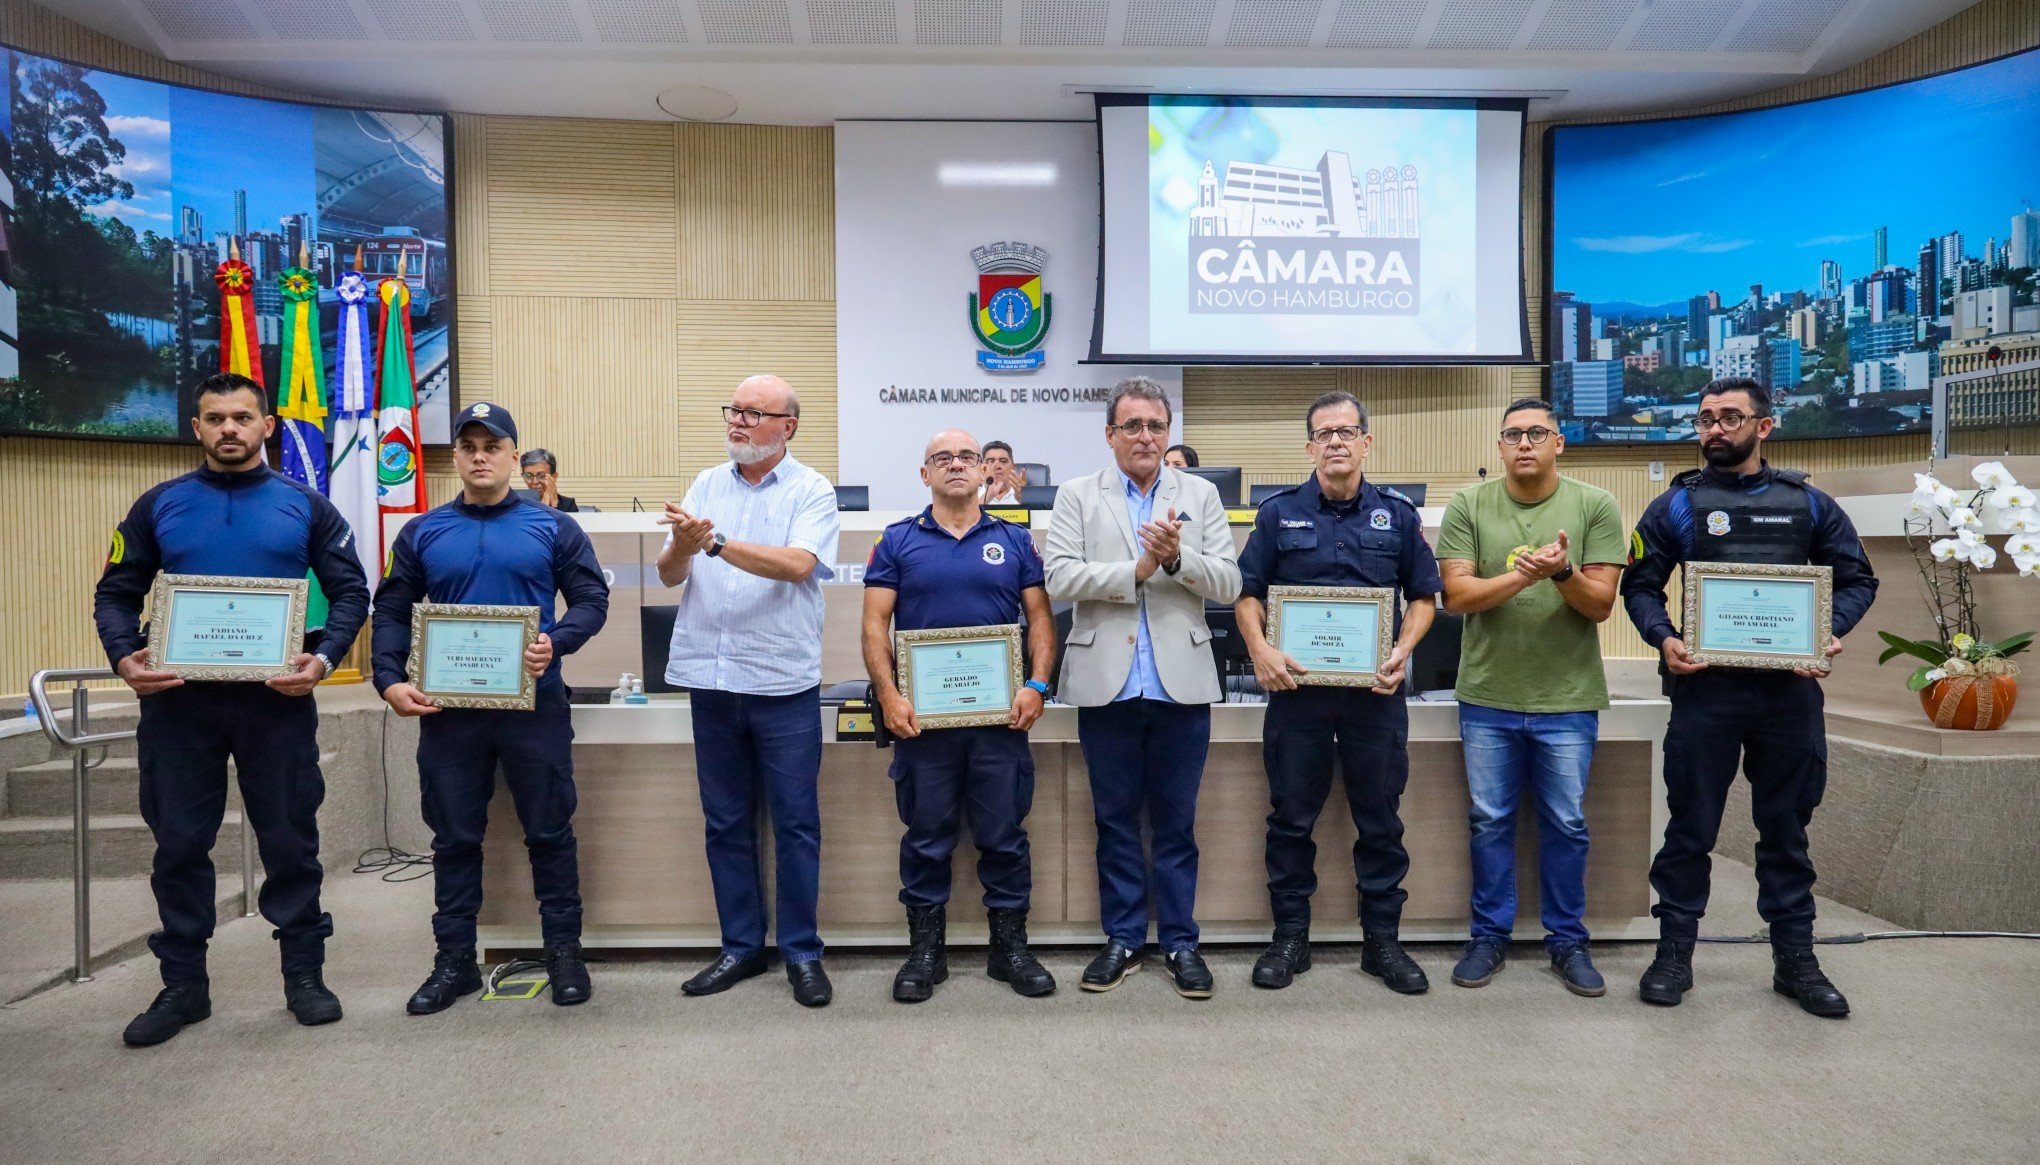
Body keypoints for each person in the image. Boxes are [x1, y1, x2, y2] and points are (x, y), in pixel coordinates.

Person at [92, 372, 370, 1046]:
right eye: (215, 418)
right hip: (179, 706)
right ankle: (184, 986)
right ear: (197, 427)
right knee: (180, 844)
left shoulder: (305, 506)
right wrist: (125, 655)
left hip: (276, 703)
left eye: (242, 417)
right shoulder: (158, 505)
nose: (229, 429)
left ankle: (304, 974)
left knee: (289, 840)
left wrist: (325, 658)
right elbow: (116, 591)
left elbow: (353, 590)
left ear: (266, 425)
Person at [1622, 377, 1877, 1018]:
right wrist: (1664, 638)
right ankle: (1674, 953)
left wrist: (1828, 632)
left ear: (1764, 426)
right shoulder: (1675, 507)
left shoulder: (1811, 505)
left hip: (1788, 697)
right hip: (1704, 694)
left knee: (1786, 833)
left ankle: (1796, 961)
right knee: (1689, 830)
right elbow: (1640, 585)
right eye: (1705, 418)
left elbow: (1856, 580)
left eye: (1730, 417)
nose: (1714, 429)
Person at [374, 403, 610, 1015]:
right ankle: (453, 961)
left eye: (493, 445)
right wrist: (388, 680)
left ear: (513, 455)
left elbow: (589, 598)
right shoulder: (422, 531)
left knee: (550, 833)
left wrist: (554, 642)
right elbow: (393, 611)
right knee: (453, 839)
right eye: (469, 446)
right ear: (456, 456)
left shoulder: (553, 527)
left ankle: (564, 953)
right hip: (448, 712)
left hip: (536, 704)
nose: (480, 456)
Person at [1234, 391, 1439, 995]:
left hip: (1374, 695)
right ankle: (1290, 938)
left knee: (1379, 819)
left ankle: (1383, 943)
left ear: (1367, 442)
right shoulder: (1276, 515)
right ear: (1309, 447)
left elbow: (1424, 596)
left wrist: (1403, 650)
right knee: (1291, 819)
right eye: (1324, 434)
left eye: (1347, 432)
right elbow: (1247, 594)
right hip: (1297, 695)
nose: (1336, 442)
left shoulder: (1398, 516)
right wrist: (1261, 650)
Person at [1044, 378, 1241, 999]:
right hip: (1108, 685)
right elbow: (1059, 577)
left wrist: (1180, 561)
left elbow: (1231, 584)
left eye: (1156, 425)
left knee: (1178, 825)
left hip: (1180, 684)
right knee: (1116, 821)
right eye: (1132, 426)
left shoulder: (1200, 494)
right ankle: (1124, 938)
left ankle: (1181, 942)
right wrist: (1137, 570)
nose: (1146, 437)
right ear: (1110, 435)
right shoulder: (1078, 495)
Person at [658, 374, 842, 1008]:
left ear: (787, 426)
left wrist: (714, 541)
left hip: (782, 681)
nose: (736, 421)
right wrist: (684, 547)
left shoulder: (812, 489)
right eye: (732, 409)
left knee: (795, 825)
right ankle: (740, 946)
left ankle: (801, 952)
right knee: (726, 823)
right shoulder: (707, 484)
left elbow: (798, 565)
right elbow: (667, 573)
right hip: (710, 680)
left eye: (752, 413)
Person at [1435, 398, 1626, 998]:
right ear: (1499, 447)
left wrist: (1564, 573)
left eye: (1536, 434)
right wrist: (1526, 575)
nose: (1524, 444)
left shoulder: (1595, 504)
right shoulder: (1469, 504)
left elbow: (1599, 606)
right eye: (1512, 435)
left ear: (1558, 443)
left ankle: (1567, 941)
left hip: (1567, 698)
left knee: (1566, 824)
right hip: (1488, 695)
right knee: (1489, 822)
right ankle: (1488, 935)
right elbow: (1457, 598)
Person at [862, 429, 1059, 1002]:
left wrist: (1038, 684)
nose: (956, 465)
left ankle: (1010, 951)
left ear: (986, 473)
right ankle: (926, 954)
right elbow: (875, 626)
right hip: (923, 724)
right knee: (926, 837)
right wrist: (891, 693)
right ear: (924, 474)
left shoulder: (1016, 540)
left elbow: (1040, 620)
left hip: (1001, 721)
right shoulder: (898, 541)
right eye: (941, 458)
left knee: (1003, 836)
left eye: (967, 457)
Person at [981, 440, 1024, 505]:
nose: (997, 466)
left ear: (1013, 468)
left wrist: (1024, 499)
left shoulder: (1023, 496)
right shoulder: (970, 496)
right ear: (982, 468)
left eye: (1003, 461)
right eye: (990, 461)